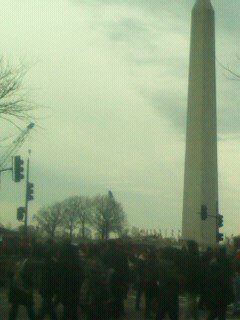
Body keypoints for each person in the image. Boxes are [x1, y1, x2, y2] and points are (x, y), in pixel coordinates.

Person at [58, 242, 84, 320]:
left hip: (65, 291)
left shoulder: (63, 262)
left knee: (67, 312)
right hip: (75, 292)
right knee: (72, 312)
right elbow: (81, 277)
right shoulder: (78, 264)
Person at [8, 252, 36, 320]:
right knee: (30, 308)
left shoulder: (15, 261)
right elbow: (29, 277)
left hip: (15, 288)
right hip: (24, 289)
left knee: (14, 308)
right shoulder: (28, 263)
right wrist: (31, 287)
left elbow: (9, 274)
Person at [155, 248, 180, 320]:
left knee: (160, 314)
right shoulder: (172, 264)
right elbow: (173, 277)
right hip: (171, 292)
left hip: (161, 291)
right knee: (173, 315)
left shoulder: (159, 263)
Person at [37, 248, 58, 320]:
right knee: (46, 304)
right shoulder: (52, 263)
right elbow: (53, 276)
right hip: (49, 287)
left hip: (45, 287)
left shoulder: (45, 263)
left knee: (48, 304)